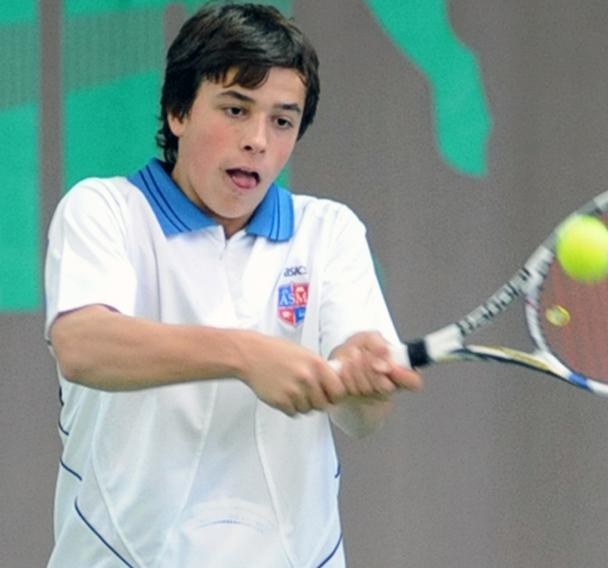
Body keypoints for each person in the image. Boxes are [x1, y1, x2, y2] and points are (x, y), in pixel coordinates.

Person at [44, 4, 422, 567]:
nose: (257, 140)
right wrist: (246, 355)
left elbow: (363, 420)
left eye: (282, 120)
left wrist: (366, 385)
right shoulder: (104, 211)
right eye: (235, 109)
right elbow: (83, 346)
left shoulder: (329, 231)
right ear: (178, 112)